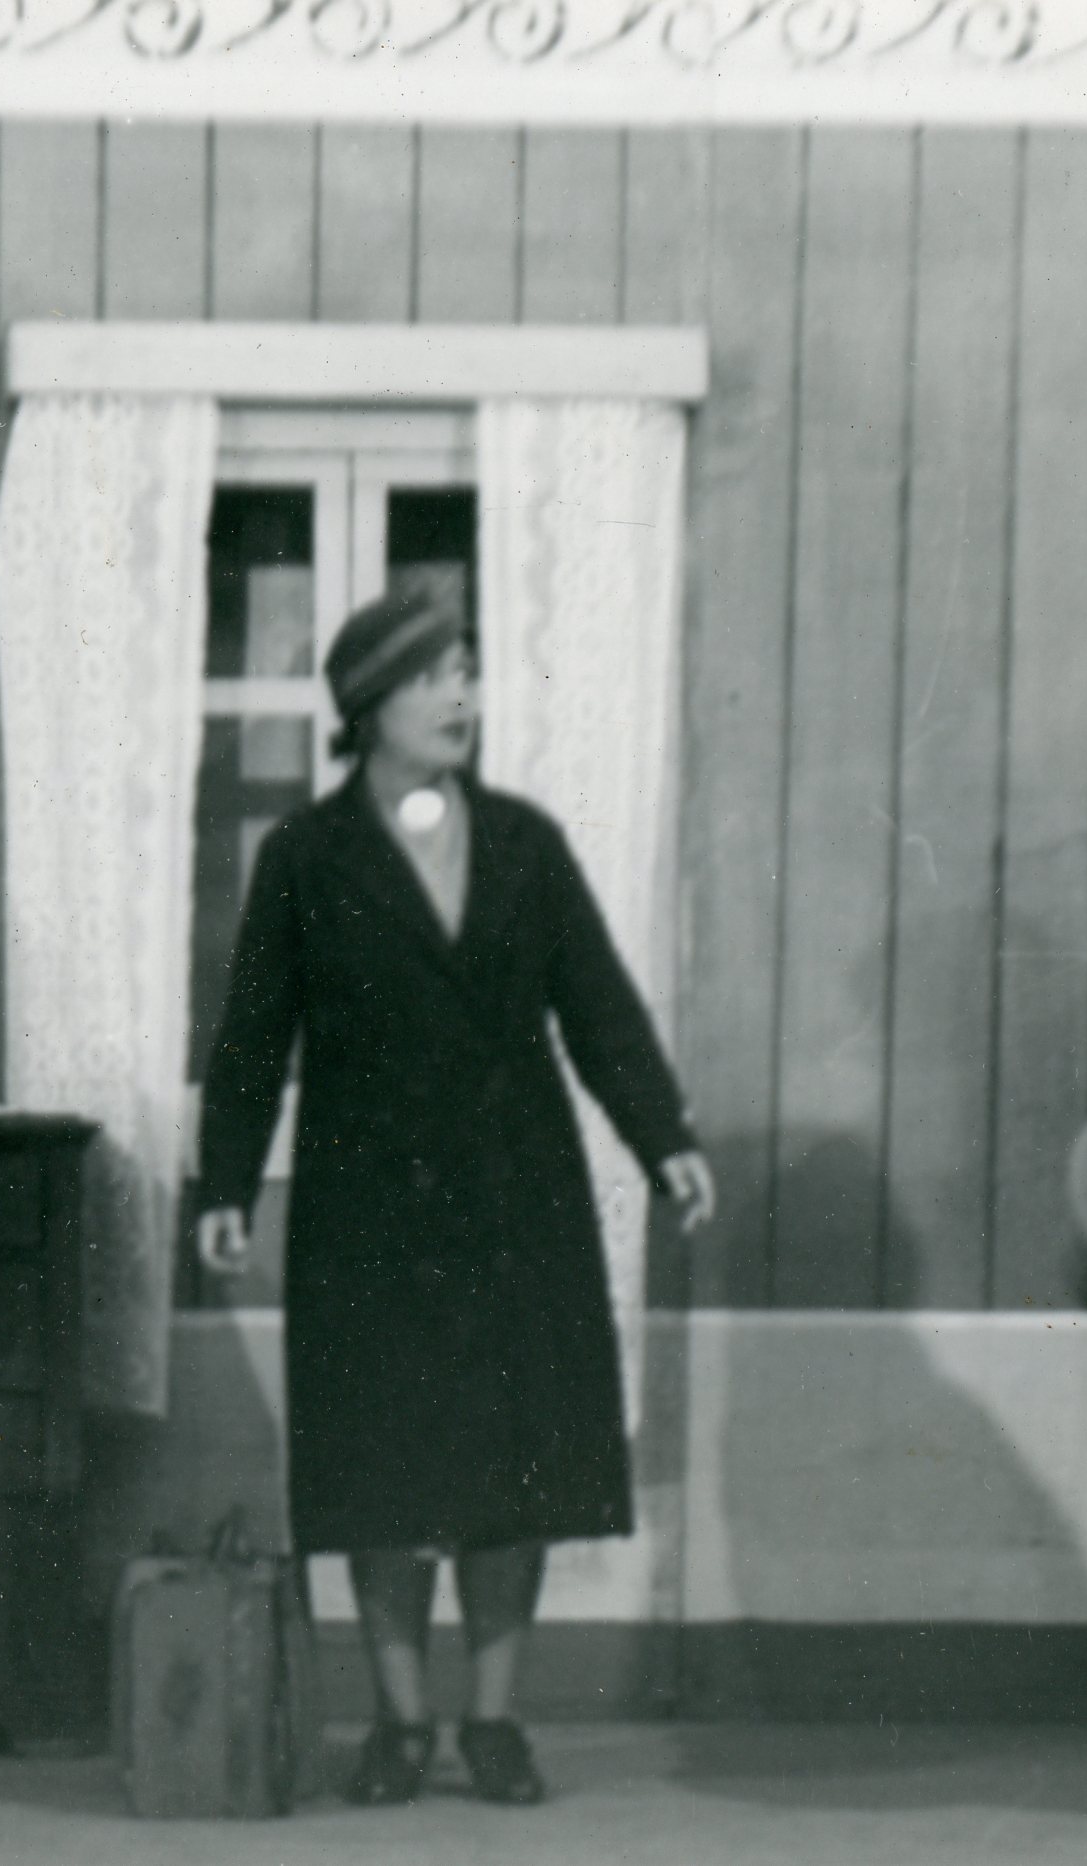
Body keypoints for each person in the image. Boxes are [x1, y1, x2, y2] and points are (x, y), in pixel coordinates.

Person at [185, 585, 718, 1811]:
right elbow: (253, 1035)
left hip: (516, 1202)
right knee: (382, 1469)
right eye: (433, 677)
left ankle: (494, 1722)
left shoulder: (526, 842)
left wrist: (663, 1138)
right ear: (368, 706)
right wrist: (227, 1180)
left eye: (467, 671)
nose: (461, 696)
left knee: (509, 1472)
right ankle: (399, 1723)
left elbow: (598, 1005)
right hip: (366, 1214)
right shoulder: (304, 856)